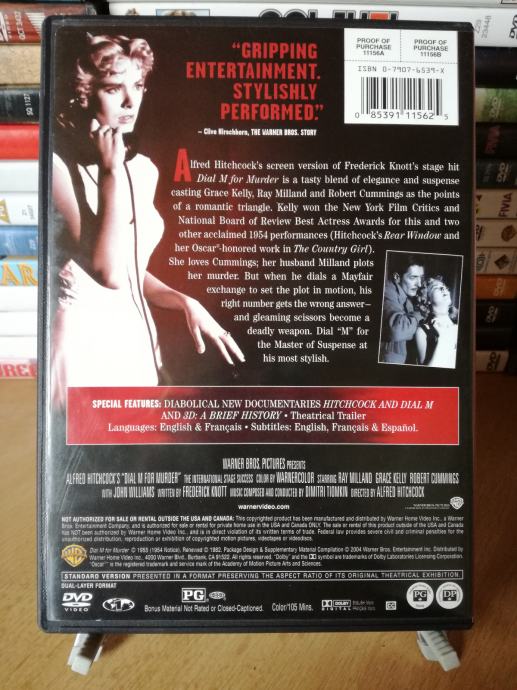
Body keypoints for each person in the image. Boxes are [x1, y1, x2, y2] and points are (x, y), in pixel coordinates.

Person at [51, 33, 244, 407]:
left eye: (138, 85)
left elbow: (131, 270)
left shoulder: (143, 169)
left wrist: (184, 301)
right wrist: (110, 171)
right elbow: (107, 272)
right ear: (82, 94)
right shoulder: (58, 168)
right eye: (113, 88)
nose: (130, 101)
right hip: (83, 346)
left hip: (135, 339)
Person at [379, 253, 426, 364]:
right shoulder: (387, 291)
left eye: (421, 278)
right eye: (413, 277)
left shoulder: (406, 300)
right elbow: (396, 330)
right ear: (397, 277)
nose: (419, 284)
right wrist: (419, 315)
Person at [415, 277, 458, 368]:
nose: (443, 289)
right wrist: (442, 338)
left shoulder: (459, 325)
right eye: (436, 287)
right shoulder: (423, 331)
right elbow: (425, 373)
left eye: (445, 287)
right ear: (428, 300)